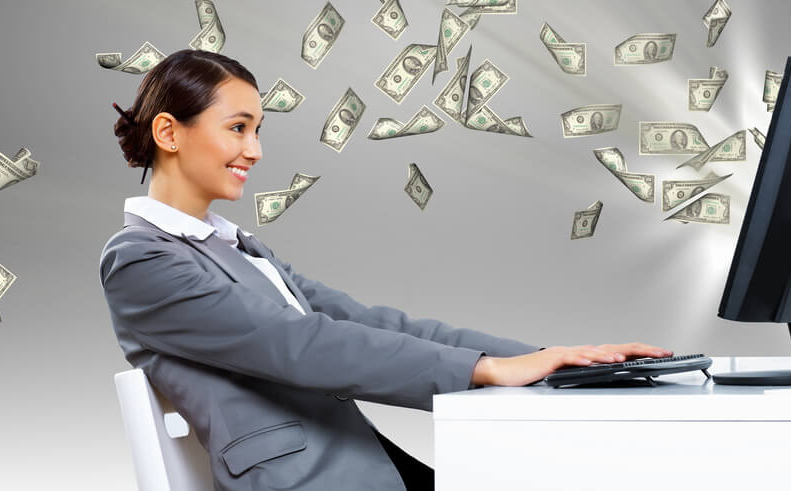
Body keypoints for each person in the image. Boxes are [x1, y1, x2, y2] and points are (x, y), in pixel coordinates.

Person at [99, 49, 672, 491]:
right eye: (238, 127)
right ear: (170, 132)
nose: (255, 150)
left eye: (258, 130)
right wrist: (489, 370)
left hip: (351, 460)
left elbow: (372, 323)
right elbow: (302, 345)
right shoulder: (141, 261)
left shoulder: (239, 247)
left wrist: (551, 359)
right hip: (303, 481)